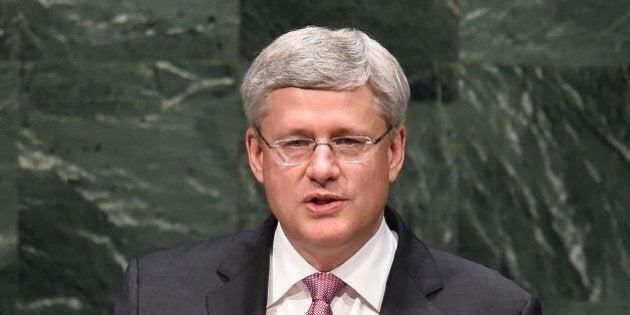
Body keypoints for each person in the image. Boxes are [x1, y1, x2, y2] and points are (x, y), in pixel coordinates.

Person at [115, 26, 542, 315]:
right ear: (256, 155)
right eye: (296, 143)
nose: (321, 168)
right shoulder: (156, 296)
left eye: (349, 141)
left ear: (394, 151)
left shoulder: (496, 308)